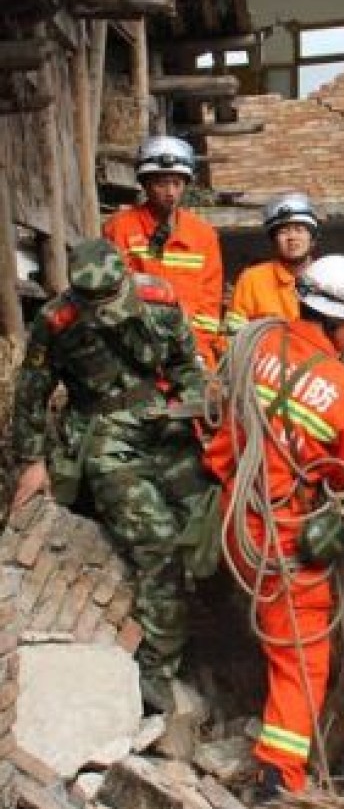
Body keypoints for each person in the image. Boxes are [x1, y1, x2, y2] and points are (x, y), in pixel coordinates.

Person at [11, 239, 209, 712]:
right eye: (91, 303)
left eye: (109, 300)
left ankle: (203, 633)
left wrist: (197, 408)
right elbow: (30, 392)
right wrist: (32, 459)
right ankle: (157, 671)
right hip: (100, 435)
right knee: (154, 540)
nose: (102, 311)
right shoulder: (55, 322)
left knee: (207, 518)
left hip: (164, 421)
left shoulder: (158, 298)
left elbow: (186, 364)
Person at [205, 255, 344, 798]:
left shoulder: (255, 347)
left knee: (270, 628)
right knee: (303, 657)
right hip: (282, 535)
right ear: (335, 321)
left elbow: (222, 434)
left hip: (234, 514)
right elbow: (343, 474)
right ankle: (279, 774)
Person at [104, 135, 225, 368]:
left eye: (177, 183)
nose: (170, 192)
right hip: (135, 350)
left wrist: (197, 349)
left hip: (189, 350)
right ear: (145, 184)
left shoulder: (203, 235)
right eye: (161, 183)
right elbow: (112, 296)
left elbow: (209, 304)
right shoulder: (120, 228)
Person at [223, 192, 319, 337]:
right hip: (266, 359)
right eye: (283, 231)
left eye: (299, 229)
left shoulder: (330, 278)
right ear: (273, 242)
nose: (292, 237)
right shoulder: (252, 280)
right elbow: (232, 338)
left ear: (312, 239)